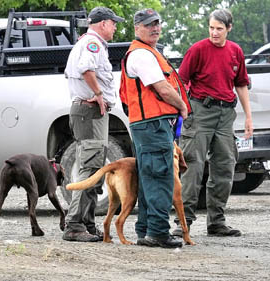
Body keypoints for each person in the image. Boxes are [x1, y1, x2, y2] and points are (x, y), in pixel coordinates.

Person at [172, 8, 251, 238]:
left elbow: (241, 84)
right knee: (192, 168)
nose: (214, 33)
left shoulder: (235, 51)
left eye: (219, 28)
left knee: (225, 166)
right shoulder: (197, 50)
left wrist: (248, 116)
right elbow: (181, 81)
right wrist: (184, 109)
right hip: (200, 112)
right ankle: (183, 222)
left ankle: (216, 221)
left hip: (226, 115)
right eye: (211, 28)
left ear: (229, 28)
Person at [120, 8, 190, 248]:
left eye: (158, 24)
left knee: (149, 177)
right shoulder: (142, 54)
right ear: (137, 28)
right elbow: (162, 88)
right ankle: (158, 233)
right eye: (149, 24)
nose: (155, 28)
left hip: (149, 124)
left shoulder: (146, 52)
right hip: (152, 125)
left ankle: (146, 231)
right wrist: (182, 106)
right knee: (160, 177)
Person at [61, 7, 124, 242]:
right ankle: (74, 225)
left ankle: (86, 223)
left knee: (95, 167)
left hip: (93, 113)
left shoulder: (92, 43)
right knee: (90, 168)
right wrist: (98, 93)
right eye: (113, 23)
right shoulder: (92, 44)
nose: (115, 27)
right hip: (89, 111)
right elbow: (85, 69)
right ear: (102, 23)